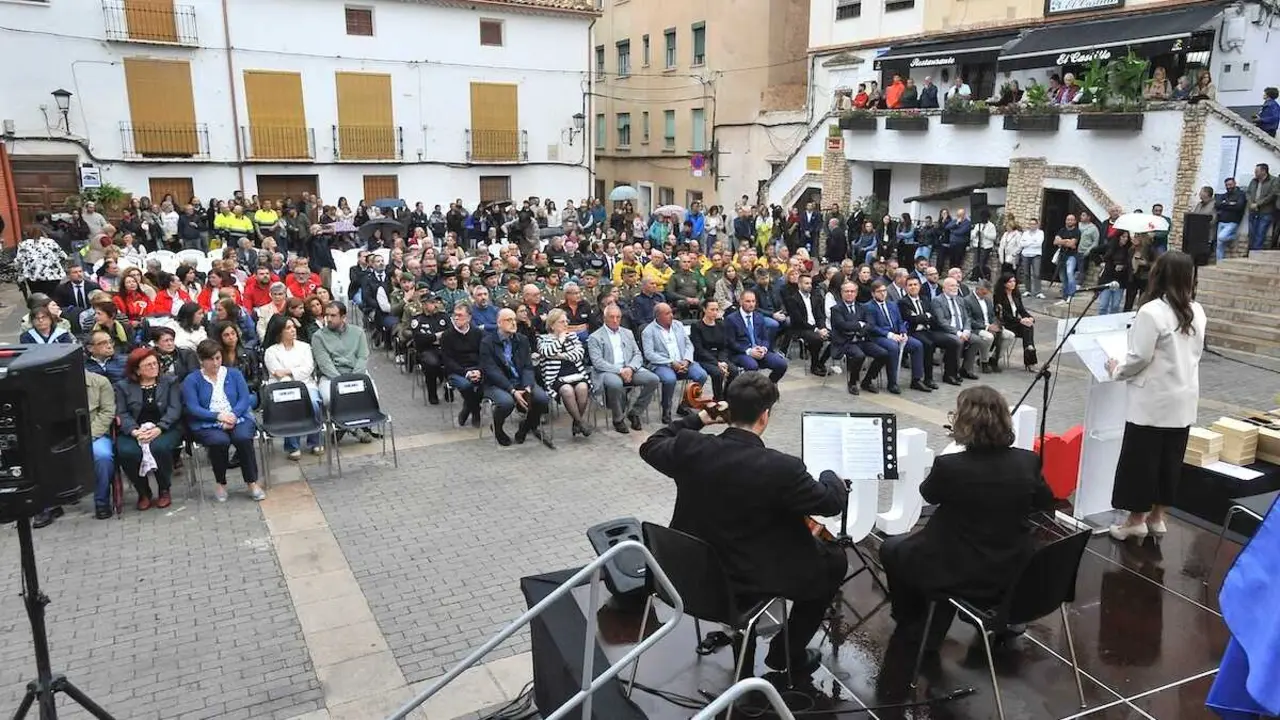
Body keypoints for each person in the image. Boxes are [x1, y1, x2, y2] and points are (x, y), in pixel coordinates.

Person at [639, 372, 849, 680]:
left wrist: (699, 419)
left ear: (729, 410)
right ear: (765, 416)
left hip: (688, 574)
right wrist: (831, 475)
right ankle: (787, 652)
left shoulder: (690, 447)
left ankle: (754, 649)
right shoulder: (783, 468)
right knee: (834, 561)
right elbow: (830, 503)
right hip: (745, 581)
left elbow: (651, 445)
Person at [879, 385, 1055, 652]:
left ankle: (910, 619)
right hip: (1012, 567)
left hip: (958, 570)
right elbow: (1044, 501)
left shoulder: (950, 466)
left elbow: (929, 494)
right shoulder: (1027, 461)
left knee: (891, 548)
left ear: (963, 423)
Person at [1106, 251, 1206, 541]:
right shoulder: (1197, 310)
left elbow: (1139, 357)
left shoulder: (1151, 311)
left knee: (1141, 461)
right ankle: (1157, 517)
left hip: (1152, 400)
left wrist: (1116, 370)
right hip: (1183, 396)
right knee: (1169, 461)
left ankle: (1135, 520)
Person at [183, 339, 265, 502]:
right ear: (201, 360)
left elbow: (244, 399)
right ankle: (220, 483)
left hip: (237, 417)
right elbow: (193, 407)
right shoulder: (192, 380)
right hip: (207, 421)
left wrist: (233, 415)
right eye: (210, 359)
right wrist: (218, 416)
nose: (215, 363)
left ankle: (252, 482)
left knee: (243, 438)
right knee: (219, 441)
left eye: (218, 358)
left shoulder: (234, 374)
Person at [116, 348, 184, 510]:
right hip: (135, 430)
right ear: (137, 370)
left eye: (155, 363)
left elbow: (174, 409)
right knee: (127, 452)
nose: (154, 367)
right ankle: (143, 492)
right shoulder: (123, 387)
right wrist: (134, 431)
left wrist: (159, 428)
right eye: (148, 365)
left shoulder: (170, 382)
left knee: (158, 448)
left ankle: (164, 489)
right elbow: (122, 413)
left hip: (165, 428)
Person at [479, 308, 554, 448]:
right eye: (509, 320)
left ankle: (526, 427)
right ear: (499, 323)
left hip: (520, 381)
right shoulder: (487, 343)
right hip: (497, 384)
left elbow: (528, 366)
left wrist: (527, 386)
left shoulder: (522, 340)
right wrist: (512, 390)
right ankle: (497, 428)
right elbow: (492, 371)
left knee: (542, 399)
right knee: (506, 402)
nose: (513, 323)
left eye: (514, 320)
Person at [588, 304, 660, 433]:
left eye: (618, 317)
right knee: (616, 384)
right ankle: (618, 418)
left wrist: (630, 368)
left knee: (653, 379)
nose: (615, 320)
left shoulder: (627, 333)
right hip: (608, 371)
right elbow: (598, 362)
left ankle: (635, 412)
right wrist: (620, 371)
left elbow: (637, 354)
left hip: (629, 368)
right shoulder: (595, 337)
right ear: (604, 318)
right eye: (612, 317)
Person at [311, 301, 375, 443]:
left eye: (333, 315)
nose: (328, 319)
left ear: (343, 317)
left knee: (372, 395)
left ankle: (345, 426)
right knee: (328, 397)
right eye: (327, 315)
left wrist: (355, 377)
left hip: (357, 374)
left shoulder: (358, 332)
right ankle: (350, 427)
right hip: (331, 377)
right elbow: (324, 363)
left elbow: (362, 357)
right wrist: (341, 381)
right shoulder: (318, 336)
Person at [263, 317, 324, 459]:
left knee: (314, 404)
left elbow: (307, 369)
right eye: (288, 328)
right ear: (280, 332)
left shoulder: (305, 347)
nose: (293, 330)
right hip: (282, 388)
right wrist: (294, 372)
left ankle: (315, 441)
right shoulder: (271, 351)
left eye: (293, 327)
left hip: (306, 385)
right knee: (290, 404)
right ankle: (293, 446)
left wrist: (288, 371)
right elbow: (277, 373)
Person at [642, 303, 709, 425]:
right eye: (667, 314)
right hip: (663, 364)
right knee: (669, 379)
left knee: (701, 375)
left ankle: (684, 404)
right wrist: (671, 362)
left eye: (671, 312)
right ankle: (666, 409)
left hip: (683, 361)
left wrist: (686, 360)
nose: (671, 315)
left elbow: (689, 344)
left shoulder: (678, 325)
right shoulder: (648, 331)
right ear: (658, 316)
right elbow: (649, 354)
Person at [538, 309, 594, 438]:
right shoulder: (543, 339)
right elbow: (547, 352)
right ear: (552, 325)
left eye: (566, 321)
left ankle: (577, 422)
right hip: (556, 376)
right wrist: (560, 340)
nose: (565, 324)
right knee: (567, 390)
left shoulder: (572, 336)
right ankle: (580, 422)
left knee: (582, 388)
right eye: (561, 322)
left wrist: (561, 356)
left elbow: (579, 354)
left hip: (575, 372)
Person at [725, 289, 788, 383]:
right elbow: (731, 342)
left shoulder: (759, 316)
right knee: (752, 366)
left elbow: (765, 338)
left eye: (753, 301)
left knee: (781, 364)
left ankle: (770, 384)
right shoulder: (731, 319)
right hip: (741, 353)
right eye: (748, 301)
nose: (751, 304)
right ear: (741, 302)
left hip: (759, 350)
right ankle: (751, 388)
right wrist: (749, 351)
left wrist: (764, 348)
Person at [441, 302, 485, 428]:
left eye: (460, 315)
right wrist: (466, 373)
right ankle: (475, 411)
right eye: (454, 315)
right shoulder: (447, 335)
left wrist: (479, 370)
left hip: (476, 369)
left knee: (487, 382)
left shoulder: (478, 333)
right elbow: (447, 360)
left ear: (469, 317)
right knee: (466, 385)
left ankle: (467, 408)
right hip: (457, 371)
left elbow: (484, 355)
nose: (456, 318)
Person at [690, 298, 739, 399]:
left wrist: (722, 360)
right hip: (704, 358)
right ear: (704, 309)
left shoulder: (721, 325)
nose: (715, 312)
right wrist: (717, 363)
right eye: (712, 310)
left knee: (734, 370)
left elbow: (724, 347)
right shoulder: (696, 326)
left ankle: (726, 397)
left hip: (719, 357)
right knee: (718, 373)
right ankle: (718, 399)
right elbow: (699, 349)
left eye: (717, 310)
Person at [86, 371, 117, 520]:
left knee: (103, 456)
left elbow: (107, 412)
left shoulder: (100, 382)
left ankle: (101, 501)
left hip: (95, 434)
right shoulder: (49, 385)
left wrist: (88, 437)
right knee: (41, 458)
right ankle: (48, 507)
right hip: (61, 438)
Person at [993, 272, 1037, 371]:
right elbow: (1004, 315)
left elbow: (1022, 310)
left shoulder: (1016, 295)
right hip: (1006, 324)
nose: (1013, 283)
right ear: (1004, 284)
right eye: (1010, 282)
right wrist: (1020, 320)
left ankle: (1030, 355)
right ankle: (1030, 353)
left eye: (1014, 281)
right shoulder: (998, 296)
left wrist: (1030, 318)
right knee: (1026, 328)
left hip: (1016, 323)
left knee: (1028, 327)